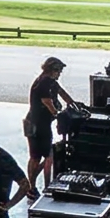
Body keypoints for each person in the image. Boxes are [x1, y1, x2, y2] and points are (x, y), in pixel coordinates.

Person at [25, 56, 73, 196]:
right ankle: (33, 187)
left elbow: (62, 93)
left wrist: (73, 104)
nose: (59, 74)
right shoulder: (44, 82)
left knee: (43, 156)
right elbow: (47, 101)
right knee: (39, 157)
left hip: (42, 123)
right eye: (59, 71)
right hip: (36, 124)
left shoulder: (51, 82)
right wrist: (56, 113)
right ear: (53, 70)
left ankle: (33, 184)